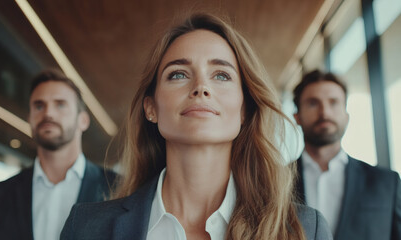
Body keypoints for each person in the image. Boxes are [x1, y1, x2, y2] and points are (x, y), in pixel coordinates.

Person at [61, 13, 332, 240]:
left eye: (221, 75)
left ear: (244, 109)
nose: (201, 87)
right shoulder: (85, 228)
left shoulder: (304, 230)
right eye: (178, 74)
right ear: (151, 108)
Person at [0, 69, 116, 240]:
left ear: (83, 120)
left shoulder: (119, 188)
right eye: (39, 106)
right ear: (30, 118)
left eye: (60, 104)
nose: (48, 113)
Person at [293, 69, 401, 240]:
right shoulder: (273, 182)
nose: (325, 112)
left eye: (334, 102)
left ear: (347, 116)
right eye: (313, 103)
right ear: (297, 117)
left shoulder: (387, 183)